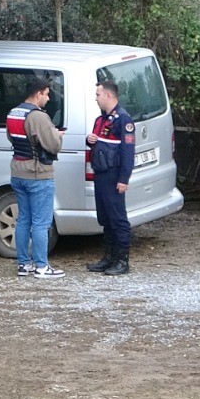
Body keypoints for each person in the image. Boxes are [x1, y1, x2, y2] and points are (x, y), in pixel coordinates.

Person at [5, 78, 65, 278]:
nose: (48, 99)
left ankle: (24, 264)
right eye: (47, 94)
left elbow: (12, 137)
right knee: (41, 222)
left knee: (23, 219)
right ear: (38, 93)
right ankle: (41, 266)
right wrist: (57, 135)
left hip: (18, 172)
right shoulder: (38, 117)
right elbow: (52, 146)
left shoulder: (14, 112)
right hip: (38, 174)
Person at [85, 80, 136, 275]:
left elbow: (127, 153)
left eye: (98, 95)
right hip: (100, 174)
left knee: (118, 219)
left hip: (114, 175)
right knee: (105, 218)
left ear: (108, 95)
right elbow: (100, 146)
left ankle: (122, 260)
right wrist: (89, 141)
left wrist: (124, 179)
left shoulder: (123, 120)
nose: (96, 98)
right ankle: (109, 257)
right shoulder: (100, 120)